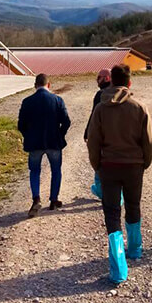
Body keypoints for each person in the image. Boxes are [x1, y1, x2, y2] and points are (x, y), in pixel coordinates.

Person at [86, 64, 152, 284]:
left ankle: (118, 268)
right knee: (134, 205)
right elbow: (150, 141)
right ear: (129, 83)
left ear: (112, 81)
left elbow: (93, 142)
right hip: (134, 166)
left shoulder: (100, 109)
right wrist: (144, 163)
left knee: (112, 211)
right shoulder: (139, 107)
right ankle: (135, 249)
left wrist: (97, 165)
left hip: (108, 166)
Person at [17, 73, 72, 216]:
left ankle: (36, 198)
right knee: (56, 170)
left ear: (35, 85)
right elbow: (66, 121)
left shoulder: (27, 101)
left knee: (34, 171)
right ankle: (54, 200)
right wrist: (60, 134)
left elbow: (21, 125)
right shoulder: (58, 100)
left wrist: (28, 136)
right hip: (54, 142)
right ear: (49, 85)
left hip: (34, 143)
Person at [85, 69, 111, 200]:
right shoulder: (120, 92)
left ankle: (101, 192)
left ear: (106, 78)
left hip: (101, 136)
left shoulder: (100, 95)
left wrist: (87, 133)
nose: (97, 80)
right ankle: (118, 197)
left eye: (99, 77)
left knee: (99, 166)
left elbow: (94, 116)